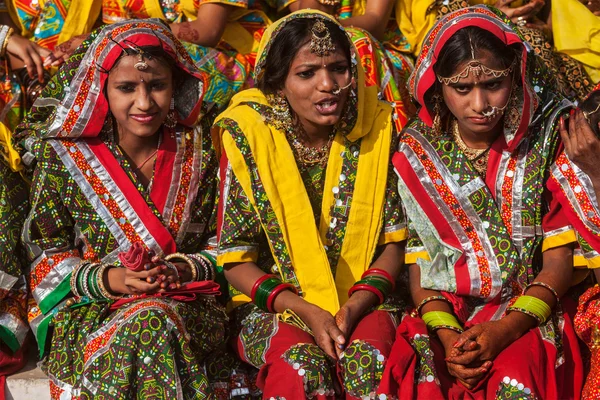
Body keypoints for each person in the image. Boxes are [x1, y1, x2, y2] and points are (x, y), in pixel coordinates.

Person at [13, 19, 232, 399]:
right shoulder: (63, 155)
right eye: (126, 88)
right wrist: (113, 279)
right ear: (102, 89)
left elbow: (226, 242)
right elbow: (43, 256)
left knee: (152, 318)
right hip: (89, 310)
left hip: (188, 305)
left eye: (157, 86)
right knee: (147, 321)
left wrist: (179, 269)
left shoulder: (203, 151)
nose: (144, 103)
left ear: (176, 86)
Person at [377, 6, 584, 398]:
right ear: (437, 86)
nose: (480, 104)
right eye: (462, 88)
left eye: (493, 84)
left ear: (515, 72)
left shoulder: (547, 135)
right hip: (447, 313)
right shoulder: (417, 150)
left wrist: (503, 330)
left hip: (530, 306)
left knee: (515, 377)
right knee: (423, 376)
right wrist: (450, 336)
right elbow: (422, 264)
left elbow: (559, 262)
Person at [213, 10, 407, 399]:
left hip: (367, 300)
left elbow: (394, 243)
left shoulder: (380, 126)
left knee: (366, 361)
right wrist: (307, 311)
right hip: (274, 305)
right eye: (307, 73)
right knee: (302, 367)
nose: (328, 85)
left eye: (338, 69)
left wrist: (352, 308)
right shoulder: (249, 134)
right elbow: (235, 259)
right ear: (277, 83)